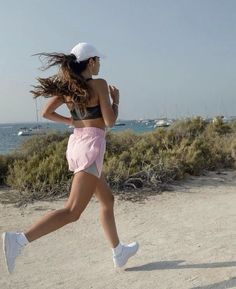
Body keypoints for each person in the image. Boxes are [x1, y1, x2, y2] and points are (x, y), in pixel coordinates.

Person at [2, 42, 139, 274]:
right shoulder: (100, 84)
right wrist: (116, 101)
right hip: (93, 146)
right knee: (72, 211)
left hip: (77, 144)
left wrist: (73, 122)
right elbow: (109, 122)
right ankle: (19, 240)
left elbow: (46, 112)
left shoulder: (69, 88)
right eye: (99, 60)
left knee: (107, 200)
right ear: (91, 61)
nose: (100, 65)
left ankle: (118, 252)